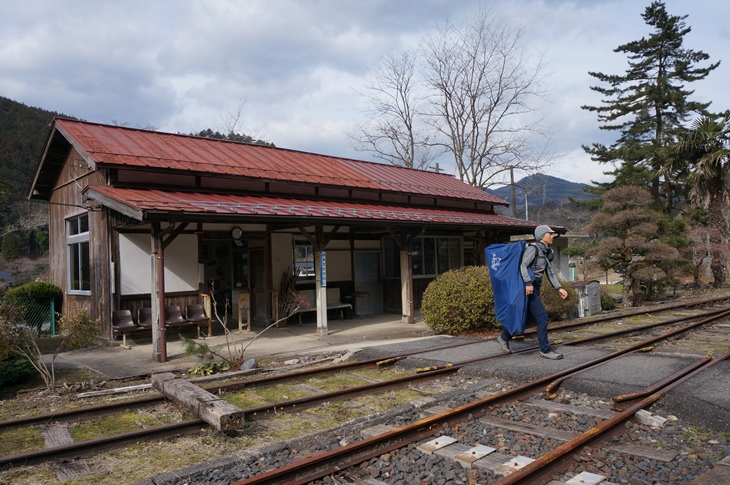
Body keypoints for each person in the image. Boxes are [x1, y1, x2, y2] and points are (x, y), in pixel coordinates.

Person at [497, 225, 568, 359]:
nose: (552, 236)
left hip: (535, 287)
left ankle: (504, 337)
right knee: (542, 317)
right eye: (550, 234)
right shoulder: (533, 249)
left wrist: (559, 288)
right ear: (542, 235)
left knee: (526, 317)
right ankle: (545, 350)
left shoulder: (546, 252)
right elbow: (523, 265)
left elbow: (550, 273)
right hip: (527, 288)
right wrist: (528, 283)